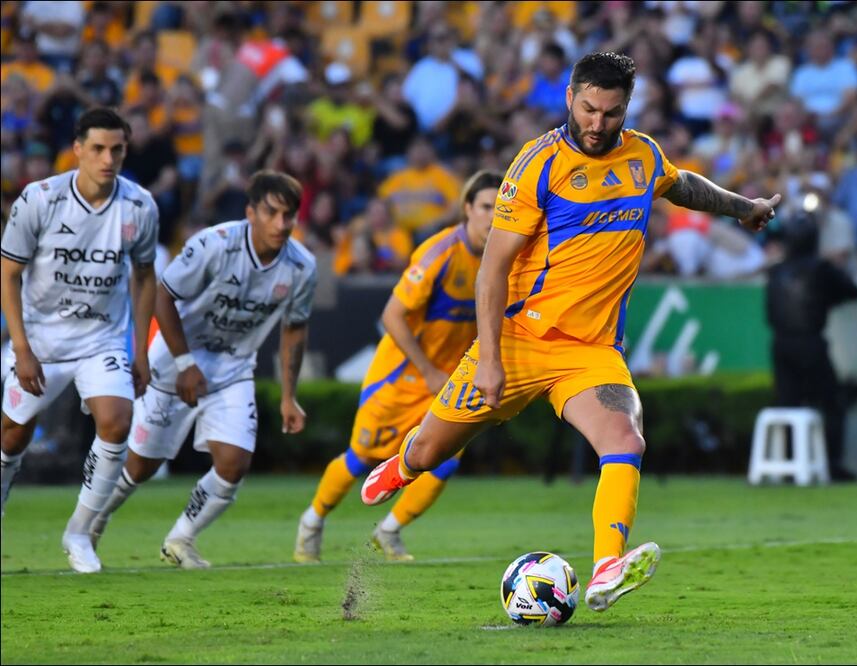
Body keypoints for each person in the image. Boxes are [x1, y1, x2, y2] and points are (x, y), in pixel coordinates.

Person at [359, 52, 780, 612]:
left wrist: (743, 207)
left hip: (592, 352)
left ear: (626, 108)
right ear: (569, 98)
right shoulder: (537, 164)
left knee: (625, 439)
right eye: (588, 109)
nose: (597, 124)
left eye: (611, 113)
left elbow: (681, 186)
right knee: (434, 449)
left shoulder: (643, 155)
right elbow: (493, 269)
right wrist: (487, 359)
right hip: (520, 339)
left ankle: (607, 566)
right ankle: (404, 463)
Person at [88, 171, 318, 570]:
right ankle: (91, 523)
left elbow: (294, 329)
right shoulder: (214, 245)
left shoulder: (301, 266)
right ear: (251, 212)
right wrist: (185, 363)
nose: (282, 224)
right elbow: (163, 296)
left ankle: (181, 539)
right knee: (141, 465)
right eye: (273, 213)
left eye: (290, 215)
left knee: (233, 464)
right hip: (173, 364)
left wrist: (287, 395)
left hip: (232, 371)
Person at [295, 170, 501, 563]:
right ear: (467, 210)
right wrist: (426, 370)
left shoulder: (502, 258)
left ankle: (388, 532)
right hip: (401, 375)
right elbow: (392, 315)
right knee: (362, 457)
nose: (493, 216)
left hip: (446, 380)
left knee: (445, 460)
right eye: (486, 207)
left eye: (500, 207)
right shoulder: (439, 253)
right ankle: (312, 521)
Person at [0, 108, 159, 573]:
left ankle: (80, 533)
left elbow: (145, 278)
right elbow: (9, 274)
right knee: (12, 436)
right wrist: (22, 348)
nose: (108, 159)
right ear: (77, 150)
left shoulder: (140, 206)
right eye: (98, 149)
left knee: (116, 421)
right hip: (41, 340)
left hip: (101, 339)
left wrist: (141, 350)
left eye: (117, 150)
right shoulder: (40, 199)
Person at [765, 216, 857, 481]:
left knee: (788, 404)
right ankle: (832, 464)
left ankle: (788, 466)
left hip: (781, 344)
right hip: (810, 343)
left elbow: (769, 313)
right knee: (832, 403)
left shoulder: (776, 271)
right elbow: (852, 291)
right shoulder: (821, 268)